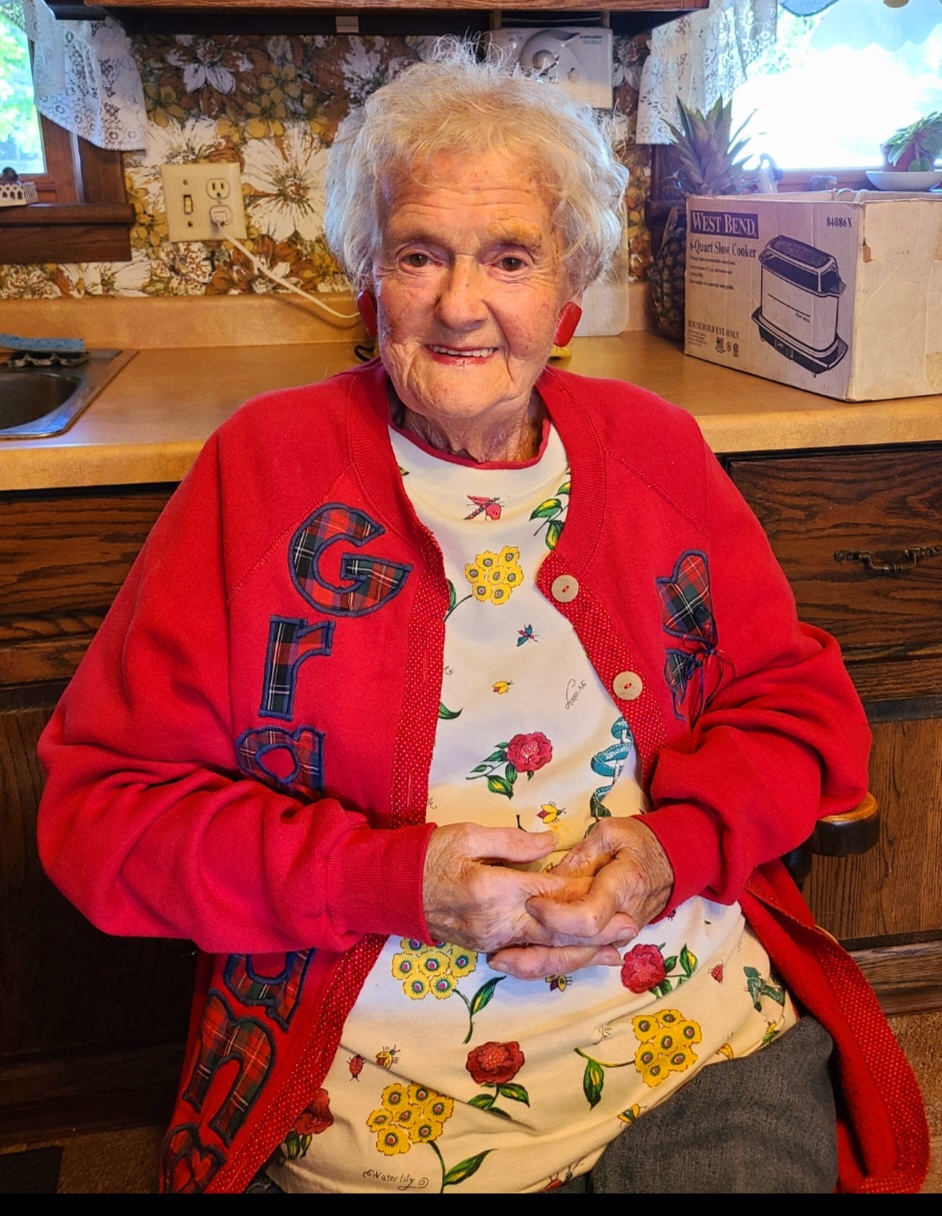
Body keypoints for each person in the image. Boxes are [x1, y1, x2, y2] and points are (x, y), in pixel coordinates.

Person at [36, 43, 927, 1195]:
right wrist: (385, 879)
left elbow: (801, 712)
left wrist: (672, 852)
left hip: (687, 1035)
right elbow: (102, 815)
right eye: (420, 253)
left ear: (566, 294)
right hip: (368, 1072)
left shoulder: (654, 450)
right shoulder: (262, 470)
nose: (461, 305)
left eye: (509, 257)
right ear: (373, 281)